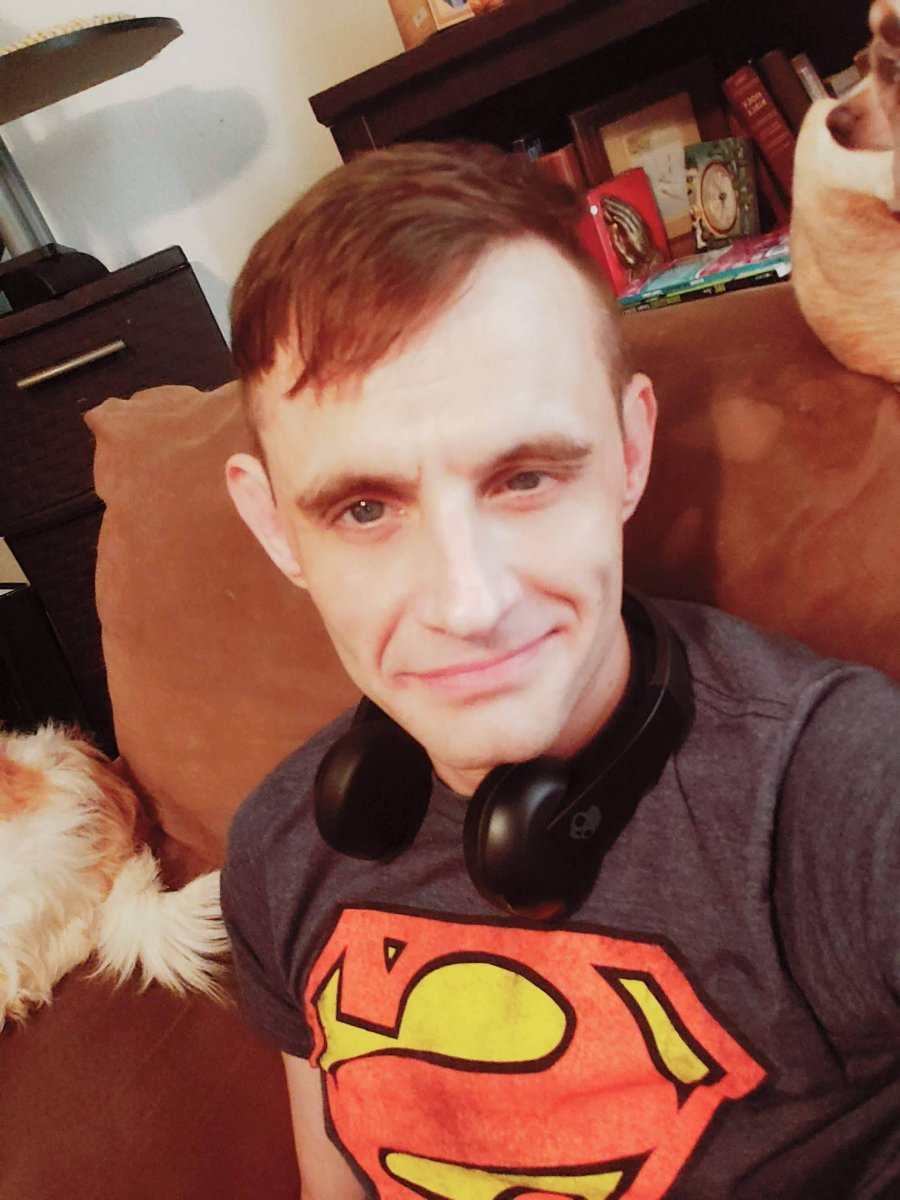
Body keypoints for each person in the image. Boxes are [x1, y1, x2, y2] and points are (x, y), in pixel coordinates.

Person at [220, 142, 899, 1200]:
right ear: (274, 527)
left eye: (526, 477)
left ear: (629, 452)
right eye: (364, 508)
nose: (468, 604)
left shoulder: (841, 797)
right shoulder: (275, 847)